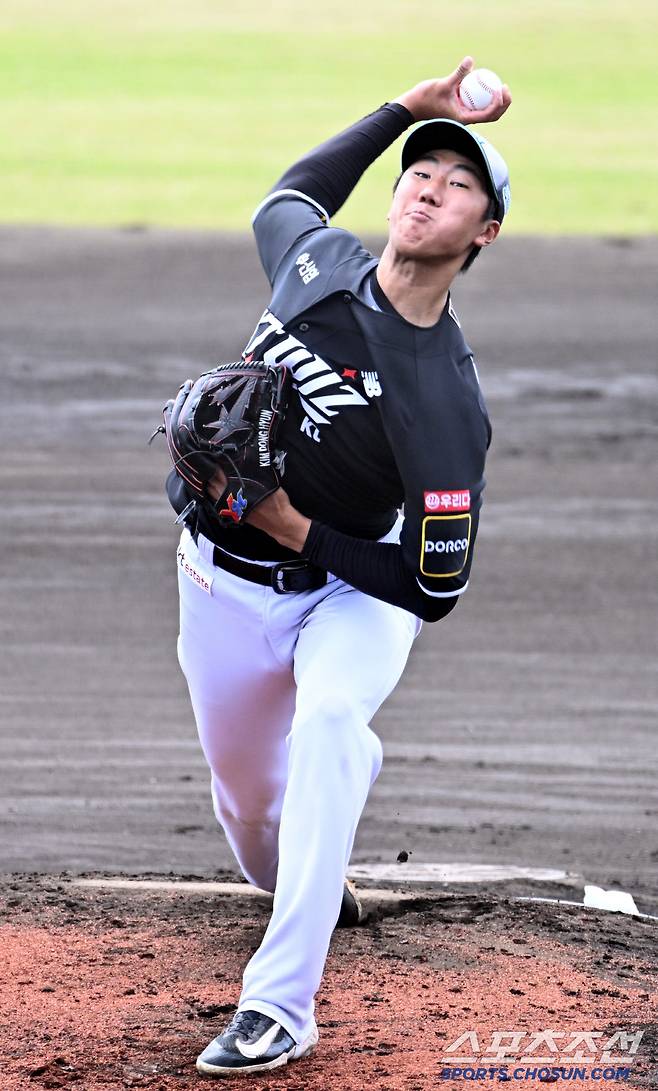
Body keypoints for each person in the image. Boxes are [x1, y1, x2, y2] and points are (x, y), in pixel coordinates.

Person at [169, 56, 512, 1077]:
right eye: (419, 171)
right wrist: (405, 108)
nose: (426, 187)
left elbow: (432, 586)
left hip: (355, 593)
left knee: (326, 724)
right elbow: (286, 197)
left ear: (480, 234)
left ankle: (280, 1005)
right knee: (247, 806)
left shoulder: (445, 402)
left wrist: (295, 529)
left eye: (457, 184)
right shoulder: (316, 264)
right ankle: (306, 878)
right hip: (218, 583)